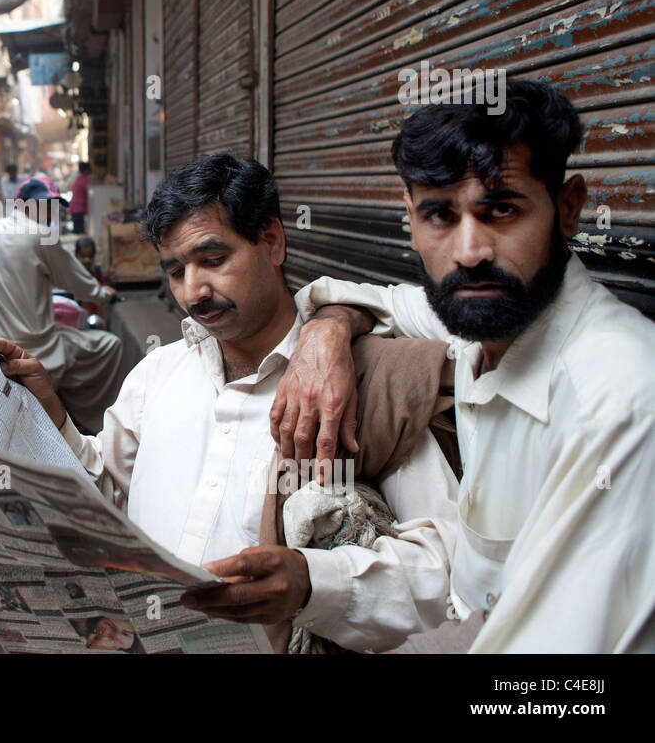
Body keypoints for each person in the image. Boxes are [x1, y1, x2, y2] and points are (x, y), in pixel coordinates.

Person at [0, 154, 460, 652]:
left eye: (213, 260)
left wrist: (314, 582)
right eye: (176, 270)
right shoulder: (158, 373)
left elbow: (446, 564)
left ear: (272, 241)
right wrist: (53, 416)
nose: (194, 290)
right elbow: (109, 490)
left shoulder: (357, 384)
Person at [273, 79, 655, 653]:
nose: (470, 250)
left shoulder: (618, 398)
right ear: (410, 217)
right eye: (440, 215)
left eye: (501, 209)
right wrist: (325, 334)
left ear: (568, 207)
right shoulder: (478, 319)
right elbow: (372, 299)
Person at [0, 175, 120, 434]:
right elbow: (78, 282)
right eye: (45, 205)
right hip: (35, 351)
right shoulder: (42, 236)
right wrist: (103, 293)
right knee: (110, 346)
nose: (50, 212)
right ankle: (94, 429)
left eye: (52, 206)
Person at [69, 161, 91, 234]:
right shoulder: (83, 179)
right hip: (78, 208)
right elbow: (88, 191)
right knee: (79, 231)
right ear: (86, 170)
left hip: (75, 208)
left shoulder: (79, 178)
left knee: (78, 229)